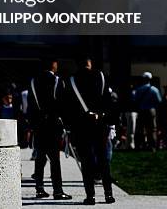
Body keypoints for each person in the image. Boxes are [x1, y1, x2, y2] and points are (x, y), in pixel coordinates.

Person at [64, 56, 117, 205]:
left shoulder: (72, 81)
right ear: (90, 63)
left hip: (81, 125)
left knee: (86, 162)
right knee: (104, 160)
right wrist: (103, 116)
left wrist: (71, 124)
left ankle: (90, 196)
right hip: (100, 122)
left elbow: (69, 106)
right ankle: (108, 195)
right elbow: (108, 99)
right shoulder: (100, 76)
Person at [27, 58, 72, 201]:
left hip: (39, 125)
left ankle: (39, 189)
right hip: (53, 125)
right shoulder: (57, 81)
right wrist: (65, 123)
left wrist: (33, 123)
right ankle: (57, 190)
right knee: (54, 159)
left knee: (40, 158)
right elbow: (63, 104)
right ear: (53, 65)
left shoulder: (33, 81)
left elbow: (31, 105)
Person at [134, 72, 162, 150]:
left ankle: (141, 146)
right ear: (150, 79)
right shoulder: (154, 89)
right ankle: (152, 146)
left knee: (141, 129)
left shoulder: (138, 89)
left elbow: (135, 100)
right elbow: (159, 101)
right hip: (151, 110)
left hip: (141, 110)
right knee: (152, 129)